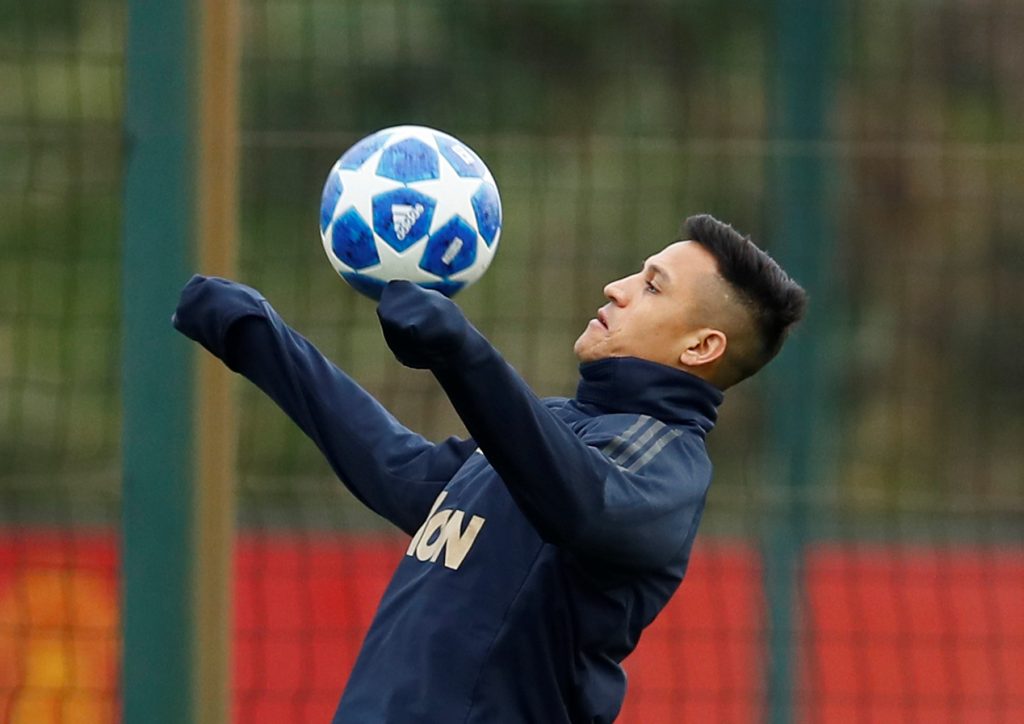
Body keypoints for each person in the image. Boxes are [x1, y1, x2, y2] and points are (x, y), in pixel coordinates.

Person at [173, 213, 807, 723]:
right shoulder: (553, 429)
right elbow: (400, 469)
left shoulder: (666, 463)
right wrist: (257, 336)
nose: (617, 288)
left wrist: (463, 354)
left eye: (651, 285)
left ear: (701, 346)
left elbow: (585, 505)